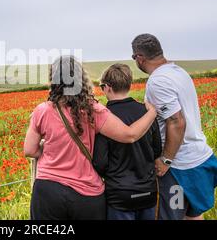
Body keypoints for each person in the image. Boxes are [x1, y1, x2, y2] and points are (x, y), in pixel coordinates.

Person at [24, 55, 157, 220]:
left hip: (48, 190)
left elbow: (29, 150)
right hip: (86, 193)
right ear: (81, 79)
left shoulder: (42, 110)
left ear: (53, 80)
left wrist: (49, 149)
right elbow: (130, 135)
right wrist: (152, 112)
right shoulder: (93, 110)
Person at [131, 34, 217, 220]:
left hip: (179, 169)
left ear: (140, 58)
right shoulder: (178, 72)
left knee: (172, 215)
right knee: (193, 215)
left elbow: (176, 121)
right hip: (199, 157)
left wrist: (166, 160)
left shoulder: (157, 81)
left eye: (134, 57)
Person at [97, 64, 162, 220]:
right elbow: (157, 150)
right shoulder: (147, 113)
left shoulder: (105, 118)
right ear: (129, 84)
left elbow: (100, 162)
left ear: (107, 87)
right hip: (148, 191)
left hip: (119, 195)